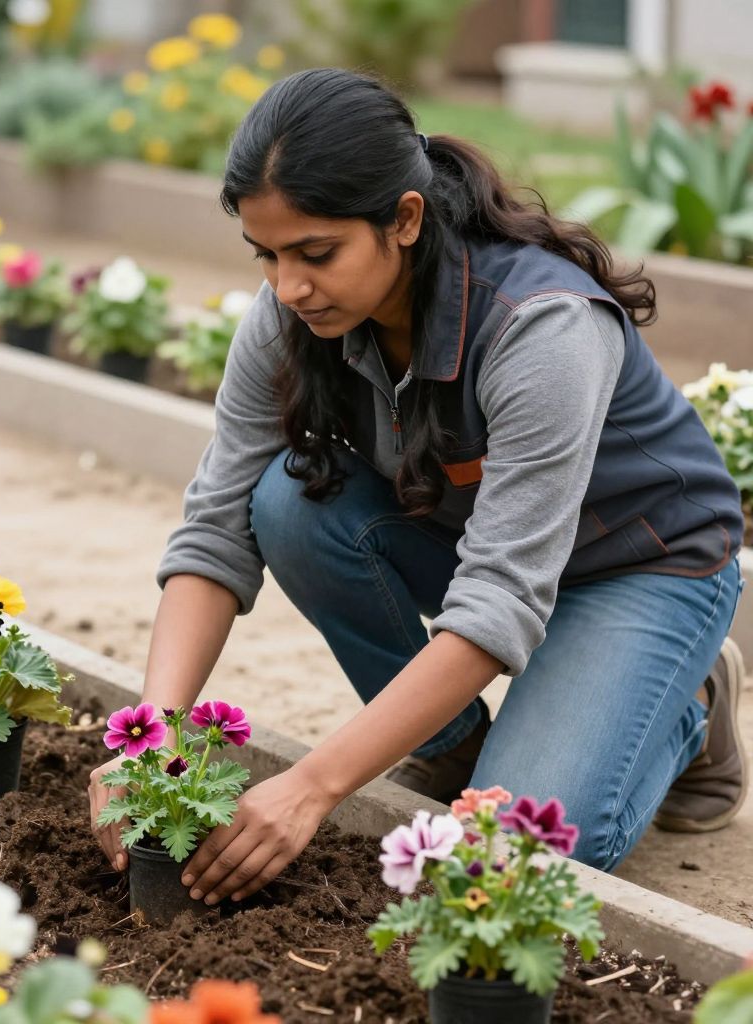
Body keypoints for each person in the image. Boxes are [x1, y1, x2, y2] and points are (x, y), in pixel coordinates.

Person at [88, 68, 747, 907]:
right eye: (267, 254)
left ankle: (688, 701)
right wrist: (151, 738)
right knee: (286, 502)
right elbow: (216, 526)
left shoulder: (542, 326)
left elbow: (500, 596)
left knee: (516, 853)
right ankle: (455, 745)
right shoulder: (292, 314)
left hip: (638, 568)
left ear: (404, 219)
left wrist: (313, 786)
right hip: (479, 545)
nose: (288, 286)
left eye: (315, 253)